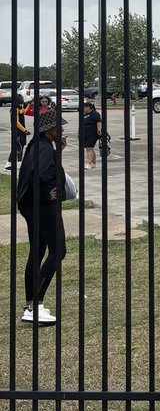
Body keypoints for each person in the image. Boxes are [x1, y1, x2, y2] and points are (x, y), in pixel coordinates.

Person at [16, 108, 68, 325]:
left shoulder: (37, 145)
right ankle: (36, 305)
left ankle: (30, 303)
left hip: (31, 205)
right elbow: (42, 171)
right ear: (49, 129)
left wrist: (59, 150)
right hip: (44, 206)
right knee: (59, 251)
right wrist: (50, 192)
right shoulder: (44, 148)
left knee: (37, 251)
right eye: (59, 126)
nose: (62, 129)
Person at [5, 94, 27, 169]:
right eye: (22, 98)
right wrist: (25, 130)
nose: (23, 99)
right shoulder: (15, 109)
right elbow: (16, 122)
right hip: (17, 131)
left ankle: (12, 164)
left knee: (19, 147)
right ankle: (14, 164)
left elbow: (24, 112)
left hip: (20, 131)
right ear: (17, 99)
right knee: (18, 147)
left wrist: (30, 104)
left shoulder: (19, 108)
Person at [80, 100, 102, 169]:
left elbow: (99, 122)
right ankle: (93, 163)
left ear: (88, 107)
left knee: (89, 148)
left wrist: (99, 130)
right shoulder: (84, 114)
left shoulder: (95, 114)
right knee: (89, 149)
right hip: (85, 133)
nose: (83, 109)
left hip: (92, 133)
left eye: (84, 107)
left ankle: (88, 163)